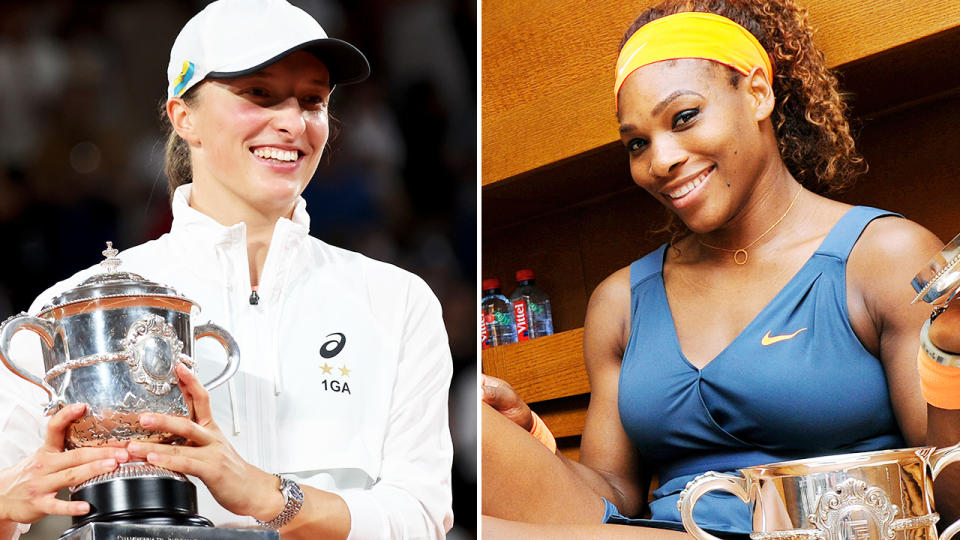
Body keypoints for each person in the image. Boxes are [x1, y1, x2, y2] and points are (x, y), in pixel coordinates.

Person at [481, 0, 960, 537]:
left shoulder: (883, 257)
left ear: (758, 92)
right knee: (463, 423)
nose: (659, 160)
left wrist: (951, 356)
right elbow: (610, 500)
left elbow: (950, 495)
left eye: (684, 118)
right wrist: (529, 439)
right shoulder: (621, 302)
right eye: (637, 143)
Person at [0, 1, 454, 539]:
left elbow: (421, 518)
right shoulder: (77, 307)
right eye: (258, 94)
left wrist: (267, 496)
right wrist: (8, 503)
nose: (291, 123)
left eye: (313, 100)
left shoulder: (397, 301)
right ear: (182, 116)